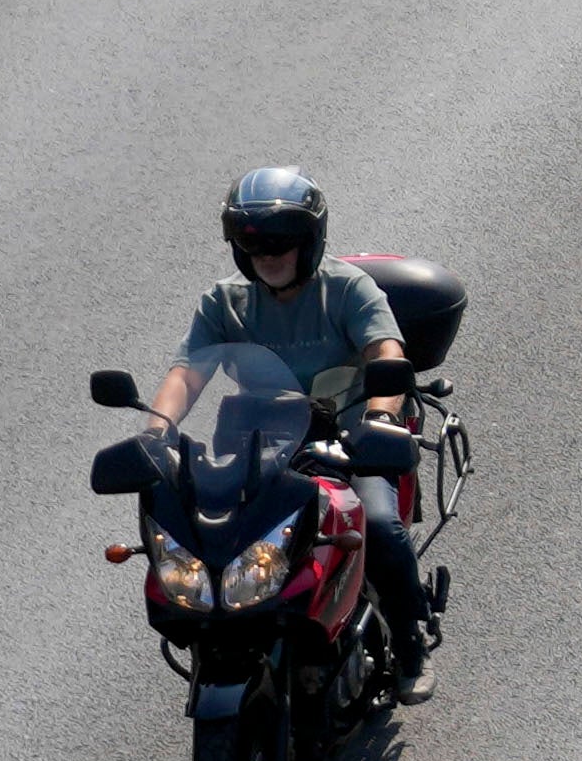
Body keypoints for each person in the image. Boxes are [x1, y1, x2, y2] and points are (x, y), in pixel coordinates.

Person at [165, 164, 438, 687]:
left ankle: (410, 640)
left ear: (309, 240)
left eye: (280, 241)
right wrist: (157, 429)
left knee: (378, 526)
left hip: (352, 442)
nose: (266, 254)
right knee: (209, 541)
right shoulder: (224, 301)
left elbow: (386, 352)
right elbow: (187, 373)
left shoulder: (348, 288)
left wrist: (381, 415)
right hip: (261, 447)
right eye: (251, 242)